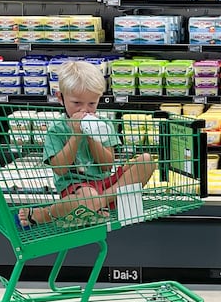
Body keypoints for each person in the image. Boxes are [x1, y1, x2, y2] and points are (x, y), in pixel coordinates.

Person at [18, 61, 155, 227]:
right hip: (75, 187)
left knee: (146, 161)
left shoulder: (105, 124)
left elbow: (106, 166)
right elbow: (60, 169)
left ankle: (97, 204)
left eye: (92, 104)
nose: (85, 110)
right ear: (60, 98)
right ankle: (47, 214)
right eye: (77, 103)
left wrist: (93, 135)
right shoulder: (56, 130)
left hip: (106, 186)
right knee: (87, 195)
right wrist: (76, 135)